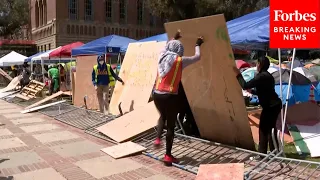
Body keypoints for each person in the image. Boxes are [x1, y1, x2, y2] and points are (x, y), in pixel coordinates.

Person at [153, 30, 204, 166]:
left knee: (162, 116)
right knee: (170, 125)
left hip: (157, 94)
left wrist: (174, 38)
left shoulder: (161, 56)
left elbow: (166, 46)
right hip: (169, 96)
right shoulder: (180, 60)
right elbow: (197, 57)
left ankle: (157, 139)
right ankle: (168, 155)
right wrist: (198, 43)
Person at [233, 56, 282, 154]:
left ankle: (262, 153)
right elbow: (265, 91)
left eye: (257, 63)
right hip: (274, 105)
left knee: (264, 129)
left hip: (270, 106)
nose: (256, 65)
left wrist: (238, 74)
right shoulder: (268, 75)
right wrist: (252, 91)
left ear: (260, 64)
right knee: (270, 129)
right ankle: (275, 151)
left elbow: (245, 85)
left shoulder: (261, 76)